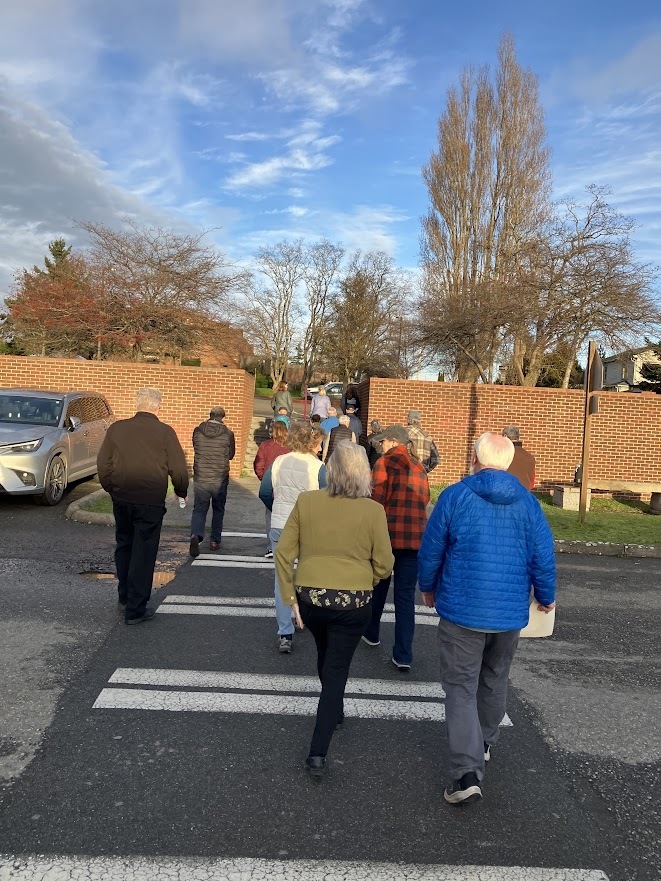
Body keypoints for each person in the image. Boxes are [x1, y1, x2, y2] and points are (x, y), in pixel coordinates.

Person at [418, 432, 556, 805]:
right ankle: (486, 742)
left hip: (462, 610)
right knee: (495, 678)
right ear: (509, 462)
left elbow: (432, 548)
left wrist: (427, 586)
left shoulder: (456, 496)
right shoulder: (528, 504)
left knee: (460, 687)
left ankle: (466, 772)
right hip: (508, 613)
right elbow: (542, 555)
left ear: (475, 459)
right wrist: (546, 597)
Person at [275, 441, 394, 777]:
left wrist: (290, 598)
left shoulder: (307, 502)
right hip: (353, 601)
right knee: (337, 666)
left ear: (331, 469)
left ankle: (335, 706)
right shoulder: (372, 511)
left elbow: (284, 554)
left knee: (325, 652)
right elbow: (384, 565)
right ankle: (318, 751)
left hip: (311, 598)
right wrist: (367, 579)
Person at [97, 388, 189, 625]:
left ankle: (125, 596)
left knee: (124, 546)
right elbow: (178, 468)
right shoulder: (165, 432)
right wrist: (181, 491)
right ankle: (136, 608)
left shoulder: (117, 429)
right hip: (150, 500)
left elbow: (103, 462)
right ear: (158, 407)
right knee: (144, 552)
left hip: (123, 497)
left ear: (137, 404)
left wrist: (111, 487)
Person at [362, 425, 430, 669]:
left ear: (391, 442)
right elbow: (425, 498)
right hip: (414, 541)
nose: (380, 445)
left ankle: (371, 632)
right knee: (405, 597)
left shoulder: (383, 463)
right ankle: (403, 654)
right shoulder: (419, 467)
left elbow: (375, 501)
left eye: (382, 442)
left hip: (387, 537)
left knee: (379, 586)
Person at [259, 422, 328, 653]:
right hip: (308, 527)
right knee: (309, 576)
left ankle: (285, 631)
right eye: (318, 444)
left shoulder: (278, 461)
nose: (320, 449)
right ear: (310, 443)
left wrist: (277, 508)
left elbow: (265, 492)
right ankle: (305, 617)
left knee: (282, 579)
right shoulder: (318, 467)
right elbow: (326, 500)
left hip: (280, 525)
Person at [189, 407, 235, 558]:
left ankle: (196, 535)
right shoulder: (228, 433)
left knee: (199, 509)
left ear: (210, 416)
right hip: (219, 478)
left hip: (201, 476)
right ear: (223, 417)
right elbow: (231, 455)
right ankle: (215, 540)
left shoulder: (197, 430)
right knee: (218, 509)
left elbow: (195, 447)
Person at [502, 425, 536, 489]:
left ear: (505, 436)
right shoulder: (529, 457)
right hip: (525, 495)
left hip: (505, 494)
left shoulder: (501, 453)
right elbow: (532, 482)